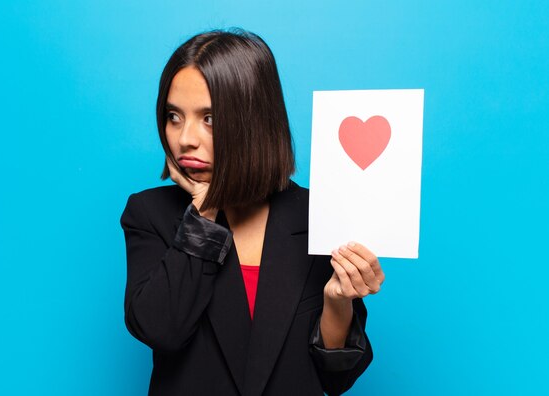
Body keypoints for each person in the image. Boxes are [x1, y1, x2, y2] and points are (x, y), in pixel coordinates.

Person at [120, 28, 385, 396]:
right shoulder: (150, 213)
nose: (184, 138)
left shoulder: (321, 214)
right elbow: (161, 330)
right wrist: (204, 212)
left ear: (254, 121)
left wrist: (337, 302)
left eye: (209, 118)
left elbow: (336, 379)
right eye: (174, 116)